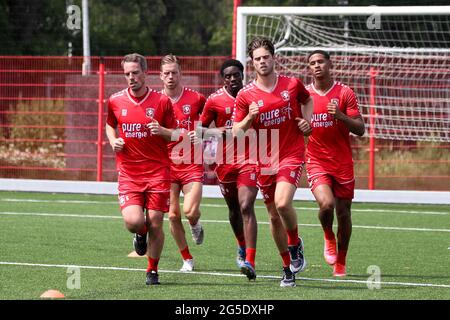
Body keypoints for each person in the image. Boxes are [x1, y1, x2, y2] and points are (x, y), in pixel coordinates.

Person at [232, 37, 314, 287]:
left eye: (266, 57)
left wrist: (306, 123)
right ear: (252, 63)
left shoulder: (291, 83)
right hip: (263, 158)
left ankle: (294, 242)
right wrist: (248, 119)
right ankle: (287, 267)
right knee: (274, 215)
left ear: (273, 57)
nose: (262, 61)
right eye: (257, 58)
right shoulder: (245, 95)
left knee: (282, 202)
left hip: (291, 151)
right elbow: (236, 131)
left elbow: (307, 100)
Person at [106, 53, 177, 285]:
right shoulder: (115, 100)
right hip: (129, 173)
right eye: (127, 74)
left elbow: (176, 133)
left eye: (135, 73)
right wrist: (112, 140)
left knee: (156, 221)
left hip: (158, 171)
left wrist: (163, 132)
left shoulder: (162, 102)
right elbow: (110, 125)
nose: (131, 77)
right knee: (134, 221)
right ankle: (140, 233)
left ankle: (152, 270)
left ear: (145, 73)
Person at [305, 50, 365, 277]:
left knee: (344, 213)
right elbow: (294, 124)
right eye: (312, 63)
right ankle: (328, 235)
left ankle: (341, 260)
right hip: (316, 161)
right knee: (326, 205)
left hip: (342, 163)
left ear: (330, 64)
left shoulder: (344, 92)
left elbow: (360, 129)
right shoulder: (304, 96)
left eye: (321, 61)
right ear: (308, 68)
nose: (317, 65)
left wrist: (341, 116)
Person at [200, 59, 259, 280]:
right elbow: (201, 131)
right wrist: (220, 132)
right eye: (228, 76)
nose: (233, 79)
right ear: (223, 78)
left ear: (243, 74)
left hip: (251, 159)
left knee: (246, 206)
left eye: (236, 74)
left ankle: (250, 261)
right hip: (224, 163)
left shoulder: (254, 94)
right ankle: (242, 246)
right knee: (234, 209)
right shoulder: (214, 100)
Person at [160, 54, 206, 272]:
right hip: (166, 166)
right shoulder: (156, 102)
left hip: (191, 163)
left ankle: (195, 224)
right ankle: (187, 258)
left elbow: (211, 123)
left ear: (180, 74)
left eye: (174, 72)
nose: (171, 77)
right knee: (172, 214)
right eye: (166, 73)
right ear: (161, 76)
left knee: (190, 212)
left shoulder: (196, 99)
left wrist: (203, 134)